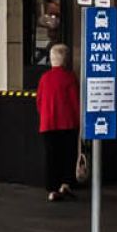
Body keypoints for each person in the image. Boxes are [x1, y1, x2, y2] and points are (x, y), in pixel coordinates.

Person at [36, 39, 80, 201]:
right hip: (67, 124)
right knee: (68, 155)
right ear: (65, 60)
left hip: (48, 124)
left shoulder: (44, 78)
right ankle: (65, 184)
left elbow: (39, 101)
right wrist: (78, 121)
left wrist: (44, 115)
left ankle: (52, 189)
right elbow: (75, 102)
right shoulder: (69, 78)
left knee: (51, 157)